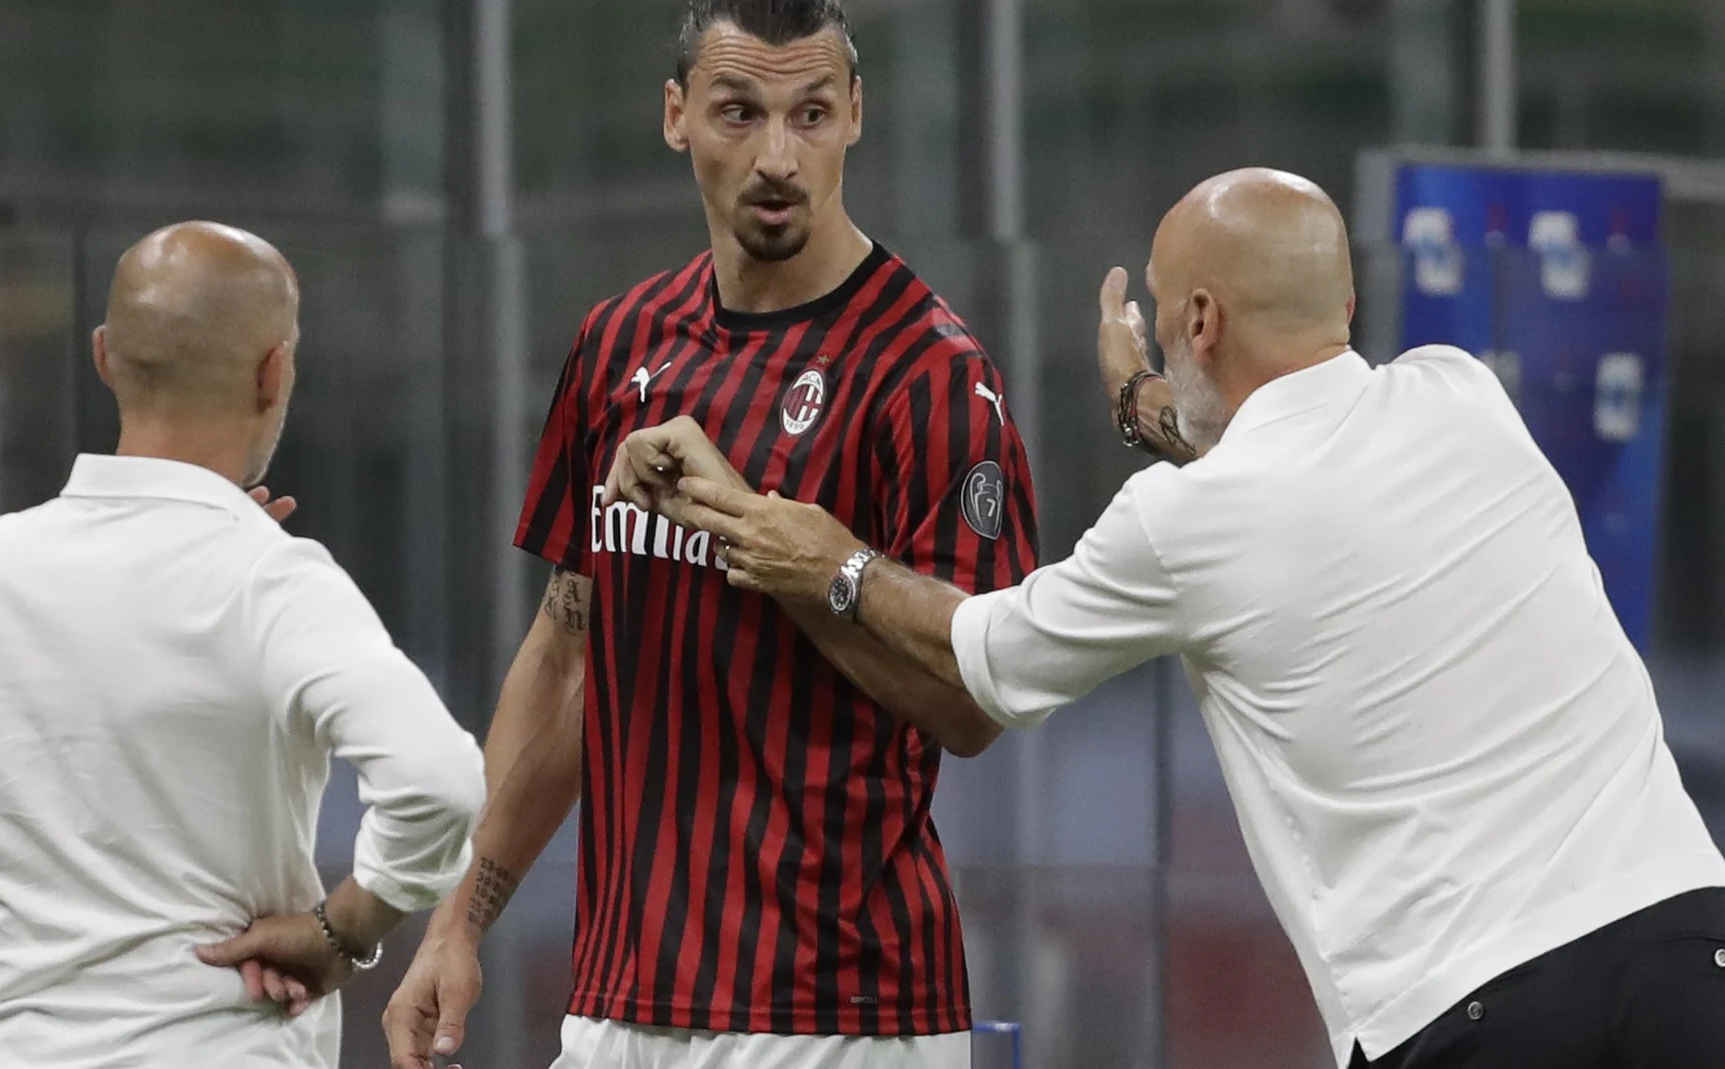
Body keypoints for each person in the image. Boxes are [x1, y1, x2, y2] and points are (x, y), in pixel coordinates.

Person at [648, 168, 1725, 1069]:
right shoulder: (1462, 398)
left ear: (1198, 321)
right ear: (1342, 304)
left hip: (1484, 1008)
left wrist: (829, 558)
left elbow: (982, 656)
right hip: (1689, 940)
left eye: (1168, 315)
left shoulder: (1180, 522)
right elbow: (1297, 471)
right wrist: (1149, 400)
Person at [381, 3, 1040, 1067]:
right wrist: (458, 917)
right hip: (615, 1008)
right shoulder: (616, 342)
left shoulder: (933, 373)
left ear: (856, 117)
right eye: (740, 113)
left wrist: (770, 542)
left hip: (842, 1012)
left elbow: (976, 705)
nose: (778, 156)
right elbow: (564, 655)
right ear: (677, 115)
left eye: (811, 114)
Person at [0, 221, 487, 1069]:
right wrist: (348, 929)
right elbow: (440, 783)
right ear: (277, 371)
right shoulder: (269, 581)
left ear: (105, 356)